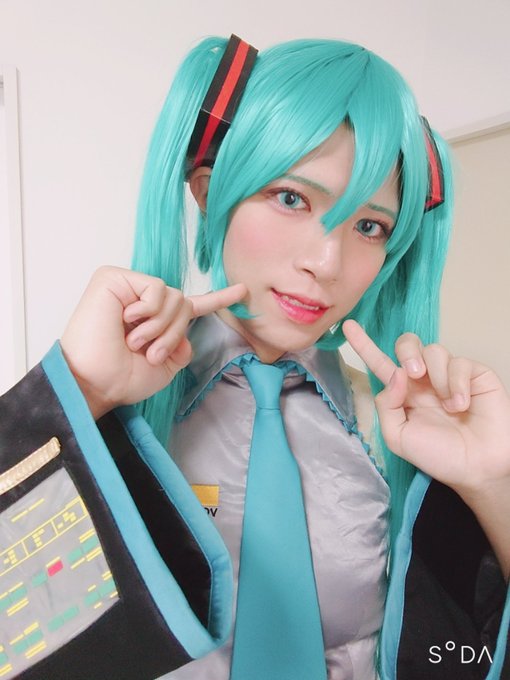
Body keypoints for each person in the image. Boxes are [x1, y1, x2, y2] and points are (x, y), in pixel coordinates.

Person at [0, 35, 509, 680]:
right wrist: (80, 392)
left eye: (369, 226)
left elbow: (462, 654)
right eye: (292, 198)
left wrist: (493, 485)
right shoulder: (101, 410)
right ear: (210, 191)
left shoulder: (394, 430)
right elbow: (18, 636)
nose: (326, 262)